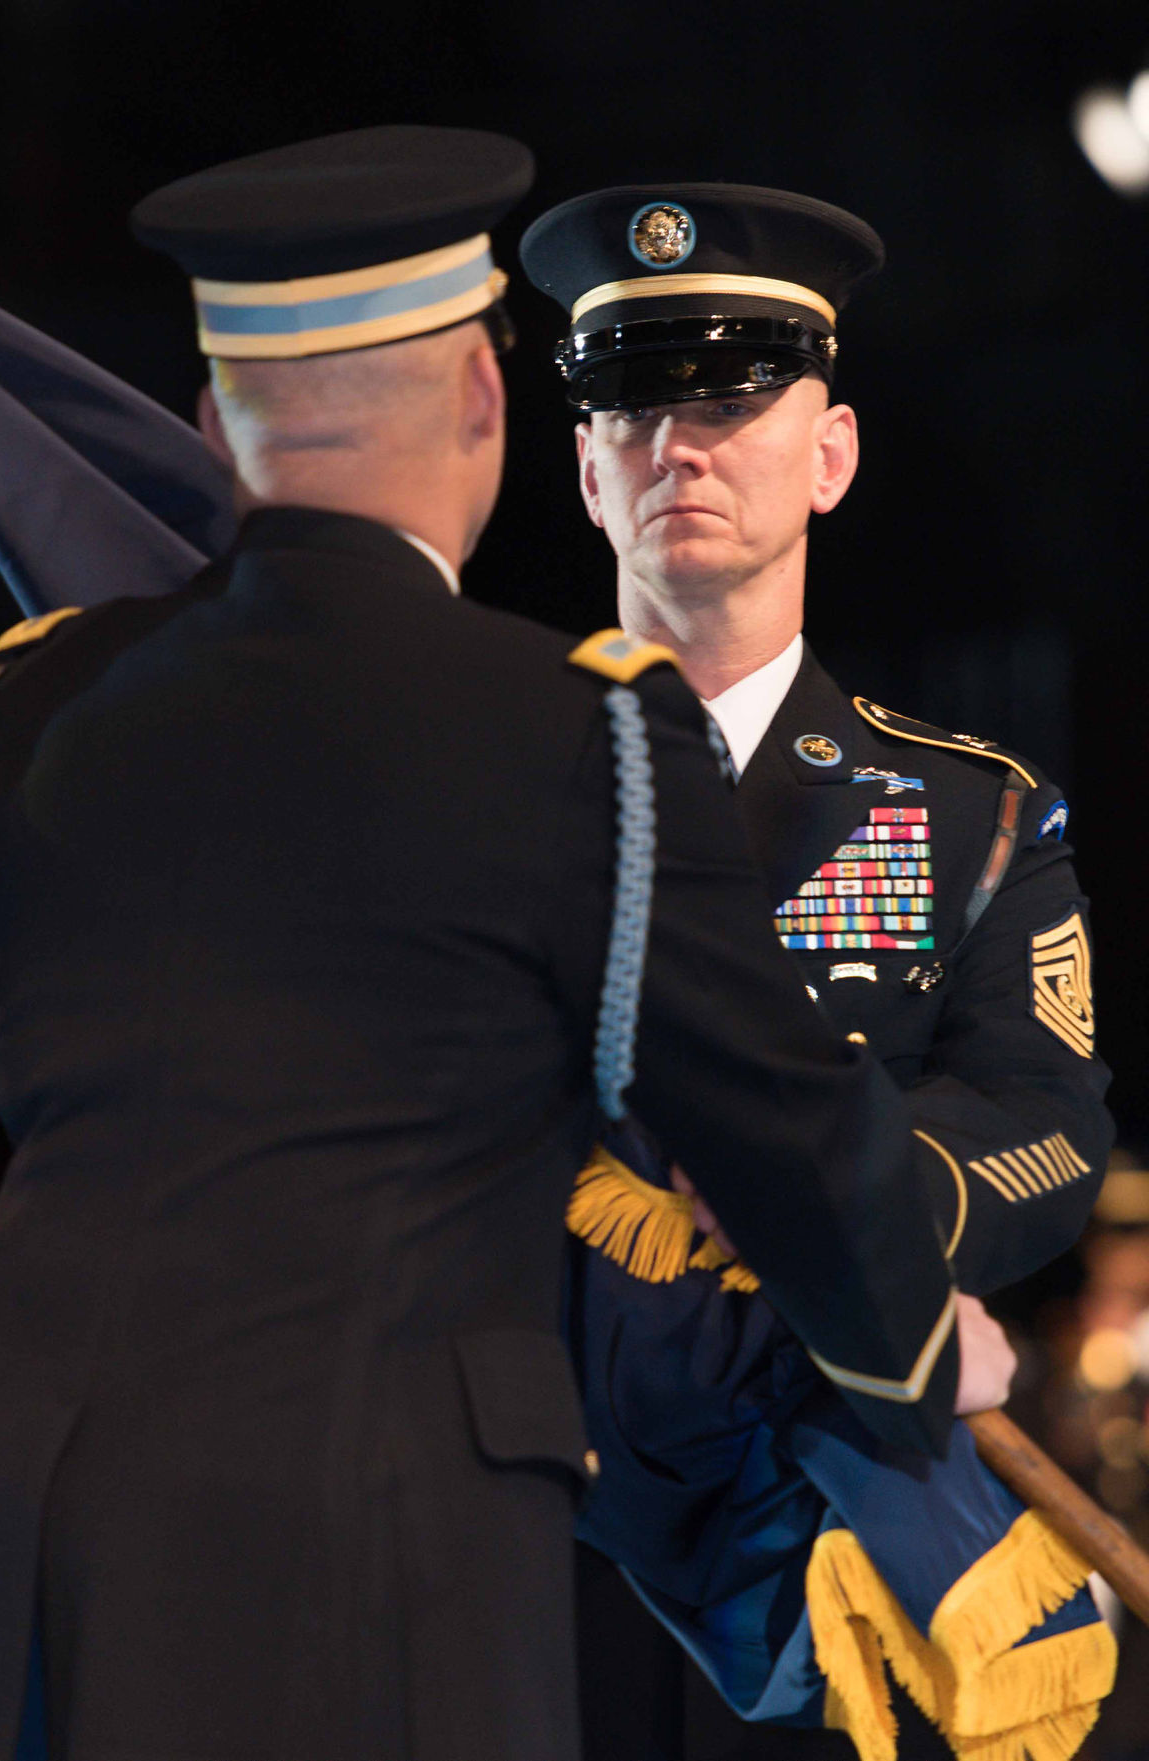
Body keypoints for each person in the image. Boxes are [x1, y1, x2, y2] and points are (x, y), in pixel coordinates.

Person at [0, 130, 995, 1761]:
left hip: (27, 1517)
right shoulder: (576, 730)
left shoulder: (31, 701)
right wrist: (924, 1365)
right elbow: (783, 1127)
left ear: (209, 416)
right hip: (376, 1544)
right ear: (487, 405)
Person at [520, 185, 1116, 1761]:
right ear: (587, 469)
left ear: (831, 454)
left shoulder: (967, 813)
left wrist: (866, 1210)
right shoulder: (479, 784)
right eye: (634, 411)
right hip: (523, 1496)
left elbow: (1049, 1120)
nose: (679, 447)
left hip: (817, 1517)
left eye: (727, 398)